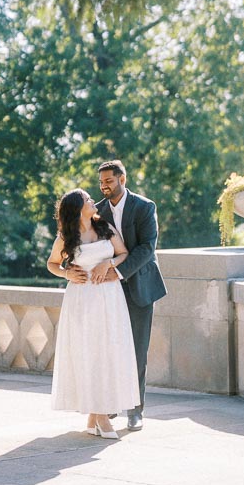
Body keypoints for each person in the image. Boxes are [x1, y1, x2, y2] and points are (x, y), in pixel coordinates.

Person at [47, 188, 140, 439]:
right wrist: (67, 273)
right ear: (78, 209)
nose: (93, 201)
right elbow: (52, 263)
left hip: (110, 298)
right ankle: (100, 416)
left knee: (108, 351)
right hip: (83, 300)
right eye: (88, 200)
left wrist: (107, 263)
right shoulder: (66, 237)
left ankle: (94, 417)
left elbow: (123, 253)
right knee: (89, 353)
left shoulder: (104, 228)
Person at [93, 159, 166, 431]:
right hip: (107, 291)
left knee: (137, 351)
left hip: (140, 287)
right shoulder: (96, 211)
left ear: (122, 180)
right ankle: (111, 405)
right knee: (110, 348)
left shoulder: (145, 207)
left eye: (109, 181)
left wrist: (118, 271)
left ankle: (135, 410)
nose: (104, 187)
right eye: (101, 182)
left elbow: (147, 248)